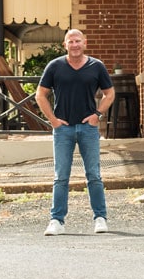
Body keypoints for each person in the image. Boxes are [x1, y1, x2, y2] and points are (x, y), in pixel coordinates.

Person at [35, 28, 115, 236]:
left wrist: (97, 114)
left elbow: (110, 93)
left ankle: (100, 218)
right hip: (63, 129)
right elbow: (40, 95)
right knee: (61, 177)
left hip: (88, 128)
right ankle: (56, 220)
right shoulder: (55, 66)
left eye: (78, 41)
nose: (75, 45)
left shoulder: (96, 66)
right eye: (71, 42)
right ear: (65, 45)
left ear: (85, 42)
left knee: (94, 175)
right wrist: (52, 120)